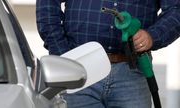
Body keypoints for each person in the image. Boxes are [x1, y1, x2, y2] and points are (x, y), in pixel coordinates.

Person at [36, 0, 180, 108]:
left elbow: (176, 9)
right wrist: (65, 57)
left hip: (132, 73)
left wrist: (152, 36)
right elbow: (47, 5)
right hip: (79, 71)